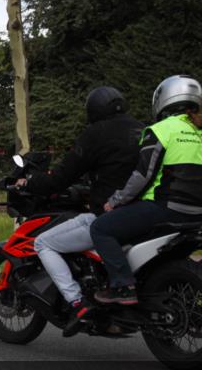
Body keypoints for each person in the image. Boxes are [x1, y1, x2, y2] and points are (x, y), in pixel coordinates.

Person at [16, 87, 143, 336]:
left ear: (93, 110)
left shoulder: (96, 133)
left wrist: (31, 183)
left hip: (109, 214)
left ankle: (77, 303)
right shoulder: (143, 129)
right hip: (144, 212)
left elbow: (62, 177)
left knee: (43, 243)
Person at [90, 75, 202, 304]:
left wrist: (115, 200)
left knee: (101, 228)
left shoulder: (161, 130)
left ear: (165, 99)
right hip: (200, 215)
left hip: (164, 209)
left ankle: (123, 286)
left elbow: (143, 175)